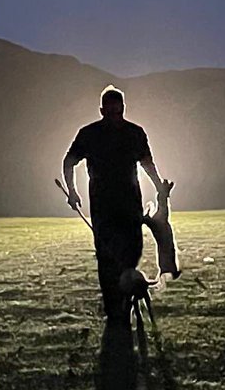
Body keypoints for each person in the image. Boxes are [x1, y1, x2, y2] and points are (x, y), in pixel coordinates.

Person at [62, 85, 168, 326]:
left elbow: (147, 163)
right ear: (101, 110)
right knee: (106, 258)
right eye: (109, 112)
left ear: (123, 108)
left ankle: (125, 301)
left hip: (131, 205)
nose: (114, 116)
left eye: (117, 111)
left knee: (131, 254)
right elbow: (69, 161)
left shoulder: (136, 133)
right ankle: (114, 311)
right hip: (102, 208)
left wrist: (159, 185)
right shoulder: (88, 134)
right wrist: (72, 191)